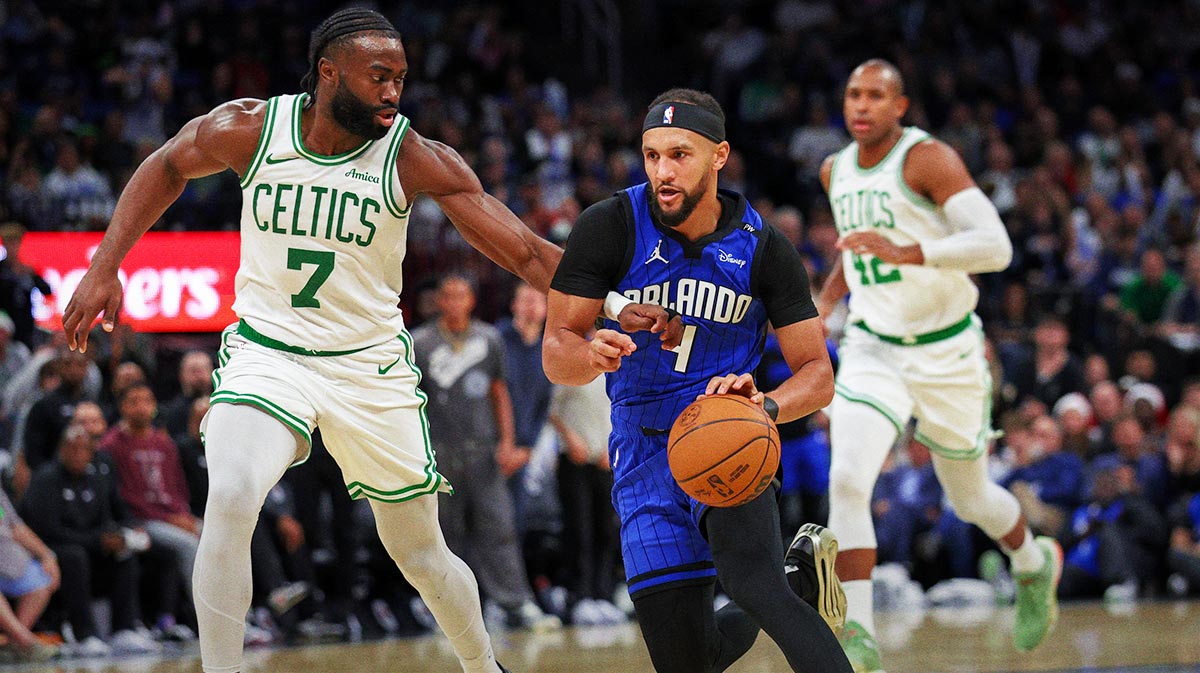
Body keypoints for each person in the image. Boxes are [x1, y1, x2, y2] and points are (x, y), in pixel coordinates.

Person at [61, 9, 660, 673]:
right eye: (379, 76)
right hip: (270, 352)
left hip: (369, 368)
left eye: (400, 79)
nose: (393, 92)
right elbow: (166, 164)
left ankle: (484, 665)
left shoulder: (410, 156)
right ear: (329, 72)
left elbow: (521, 249)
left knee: (422, 555)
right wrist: (103, 265)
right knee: (230, 495)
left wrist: (614, 300)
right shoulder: (253, 129)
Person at [543, 87, 851, 673]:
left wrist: (767, 406)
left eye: (679, 154)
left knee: (752, 584)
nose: (663, 170)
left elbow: (818, 373)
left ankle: (778, 584)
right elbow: (556, 349)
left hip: (728, 427)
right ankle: (798, 578)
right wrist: (590, 354)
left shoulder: (764, 248)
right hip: (640, 448)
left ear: (718, 155)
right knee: (690, 661)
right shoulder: (608, 226)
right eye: (652, 154)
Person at [814, 59, 1060, 670]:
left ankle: (1033, 563)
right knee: (846, 480)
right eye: (853, 94)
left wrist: (909, 252)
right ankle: (859, 637)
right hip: (873, 345)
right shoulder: (834, 169)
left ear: (900, 107)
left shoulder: (928, 159)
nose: (861, 105)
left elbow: (995, 246)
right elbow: (859, 249)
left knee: (971, 498)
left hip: (946, 349)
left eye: (876, 95)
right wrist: (822, 304)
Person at [412, 275, 559, 631]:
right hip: (439, 452)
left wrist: (508, 441)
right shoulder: (420, 342)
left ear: (471, 301)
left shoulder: (489, 338)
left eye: (461, 295)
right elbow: (410, 400)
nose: (454, 302)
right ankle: (449, 609)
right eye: (447, 295)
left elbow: (500, 392)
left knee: (500, 527)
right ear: (439, 301)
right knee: (447, 533)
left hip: (484, 450)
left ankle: (515, 603)